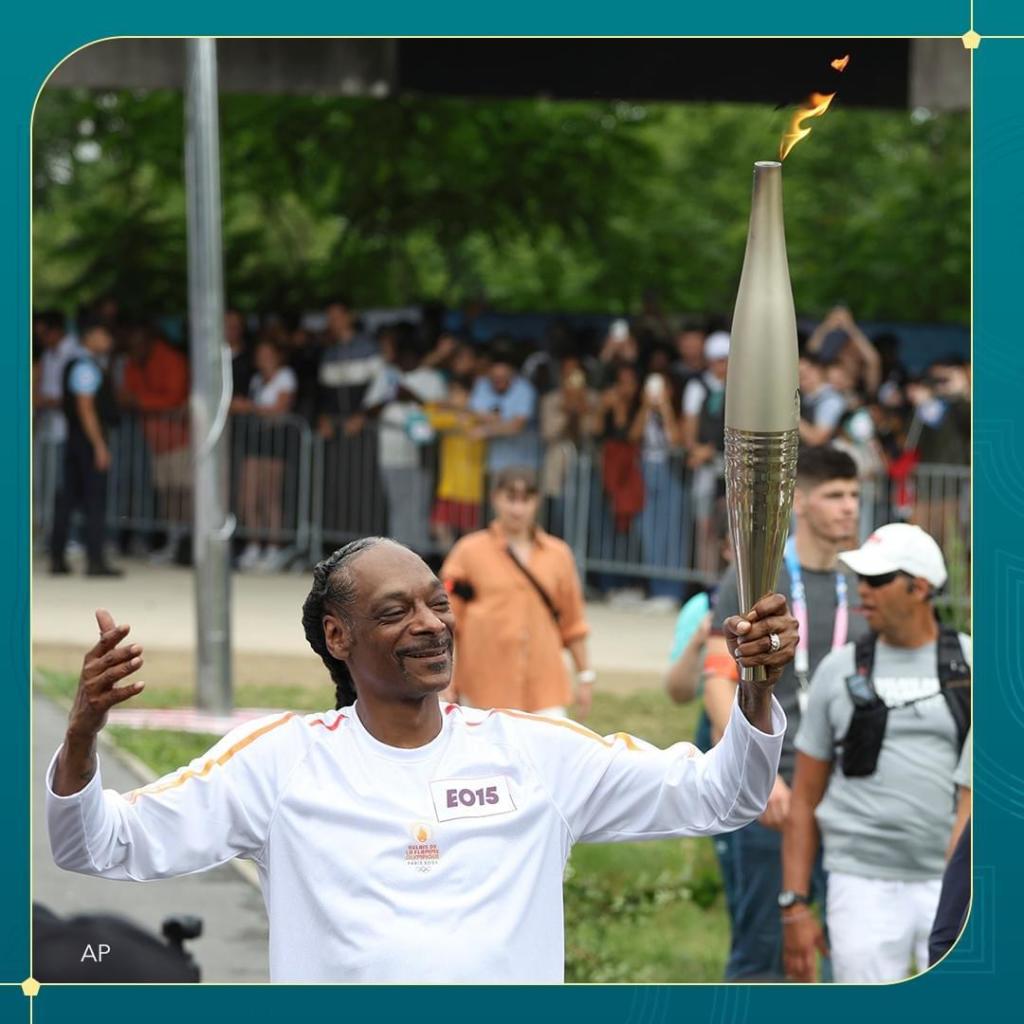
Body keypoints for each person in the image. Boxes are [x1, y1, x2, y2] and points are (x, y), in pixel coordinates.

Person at [47, 536, 798, 983]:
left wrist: (756, 687)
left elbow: (722, 797)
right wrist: (82, 734)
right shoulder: (278, 763)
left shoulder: (532, 752)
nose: (430, 625)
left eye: (436, 604)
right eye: (394, 612)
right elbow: (98, 844)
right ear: (338, 638)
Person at [703, 444, 866, 981]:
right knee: (762, 953)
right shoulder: (758, 575)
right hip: (771, 799)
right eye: (835, 495)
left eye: (855, 496)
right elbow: (717, 682)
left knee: (836, 949)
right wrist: (759, 774)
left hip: (840, 798)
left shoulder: (862, 583)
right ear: (799, 502)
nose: (849, 507)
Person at [782, 523, 971, 984]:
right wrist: (794, 905)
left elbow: (980, 794)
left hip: (952, 884)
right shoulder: (838, 669)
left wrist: (962, 884)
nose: (861, 590)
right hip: (859, 880)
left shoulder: (973, 664)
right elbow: (803, 798)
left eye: (878, 580)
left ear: (920, 587)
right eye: (859, 578)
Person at [439, 466, 593, 718]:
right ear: (495, 498)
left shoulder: (558, 554)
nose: (517, 509)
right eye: (510, 498)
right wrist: (446, 681)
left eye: (525, 499)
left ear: (537, 502)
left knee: (549, 756)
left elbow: (573, 622)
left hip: (544, 689)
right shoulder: (467, 552)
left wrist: (585, 675)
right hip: (484, 690)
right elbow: (447, 624)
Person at [50, 322, 122, 577]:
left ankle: (57, 557)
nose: (108, 340)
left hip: (76, 440)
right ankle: (95, 561)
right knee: (94, 500)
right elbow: (85, 408)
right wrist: (99, 445)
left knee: (68, 499)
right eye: (104, 333)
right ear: (89, 335)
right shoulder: (85, 366)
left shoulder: (79, 364)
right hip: (86, 441)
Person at [119, 326, 191, 565]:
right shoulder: (134, 362)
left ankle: (187, 545)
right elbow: (125, 394)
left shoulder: (171, 360)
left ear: (150, 341)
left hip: (180, 439)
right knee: (168, 495)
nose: (134, 350)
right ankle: (174, 542)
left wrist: (140, 401)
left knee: (184, 493)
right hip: (156, 442)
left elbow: (174, 398)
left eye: (138, 344)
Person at [234, 339, 298, 572]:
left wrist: (249, 408)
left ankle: (273, 546)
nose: (261, 358)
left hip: (275, 442)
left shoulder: (285, 377)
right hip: (255, 440)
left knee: (270, 497)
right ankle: (253, 544)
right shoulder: (256, 380)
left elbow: (280, 410)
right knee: (249, 495)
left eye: (266, 353)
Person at [682, 331, 730, 577]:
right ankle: (706, 579)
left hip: (730, 465)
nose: (721, 365)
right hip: (707, 466)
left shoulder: (738, 386)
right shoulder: (697, 386)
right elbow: (689, 425)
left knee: (730, 526)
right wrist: (695, 449)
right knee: (705, 527)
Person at [467, 341, 539, 474]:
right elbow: (473, 414)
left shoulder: (525, 389)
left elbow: (517, 425)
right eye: (495, 379)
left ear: (512, 372)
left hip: (523, 464)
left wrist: (486, 430)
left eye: (503, 379)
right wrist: (500, 423)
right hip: (493, 464)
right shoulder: (482, 385)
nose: (499, 382)